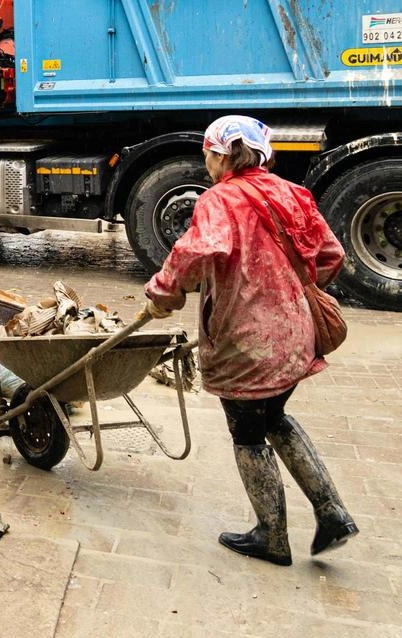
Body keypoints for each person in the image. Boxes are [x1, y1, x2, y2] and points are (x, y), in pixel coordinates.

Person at [144, 115, 358, 566]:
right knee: (275, 415)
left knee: (247, 433)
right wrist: (286, 287)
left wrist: (164, 293)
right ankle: (333, 512)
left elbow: (194, 253)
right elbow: (330, 254)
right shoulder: (290, 192)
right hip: (296, 333)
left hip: (246, 341)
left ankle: (272, 537)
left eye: (207, 154)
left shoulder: (219, 200)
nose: (206, 163)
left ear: (221, 155)